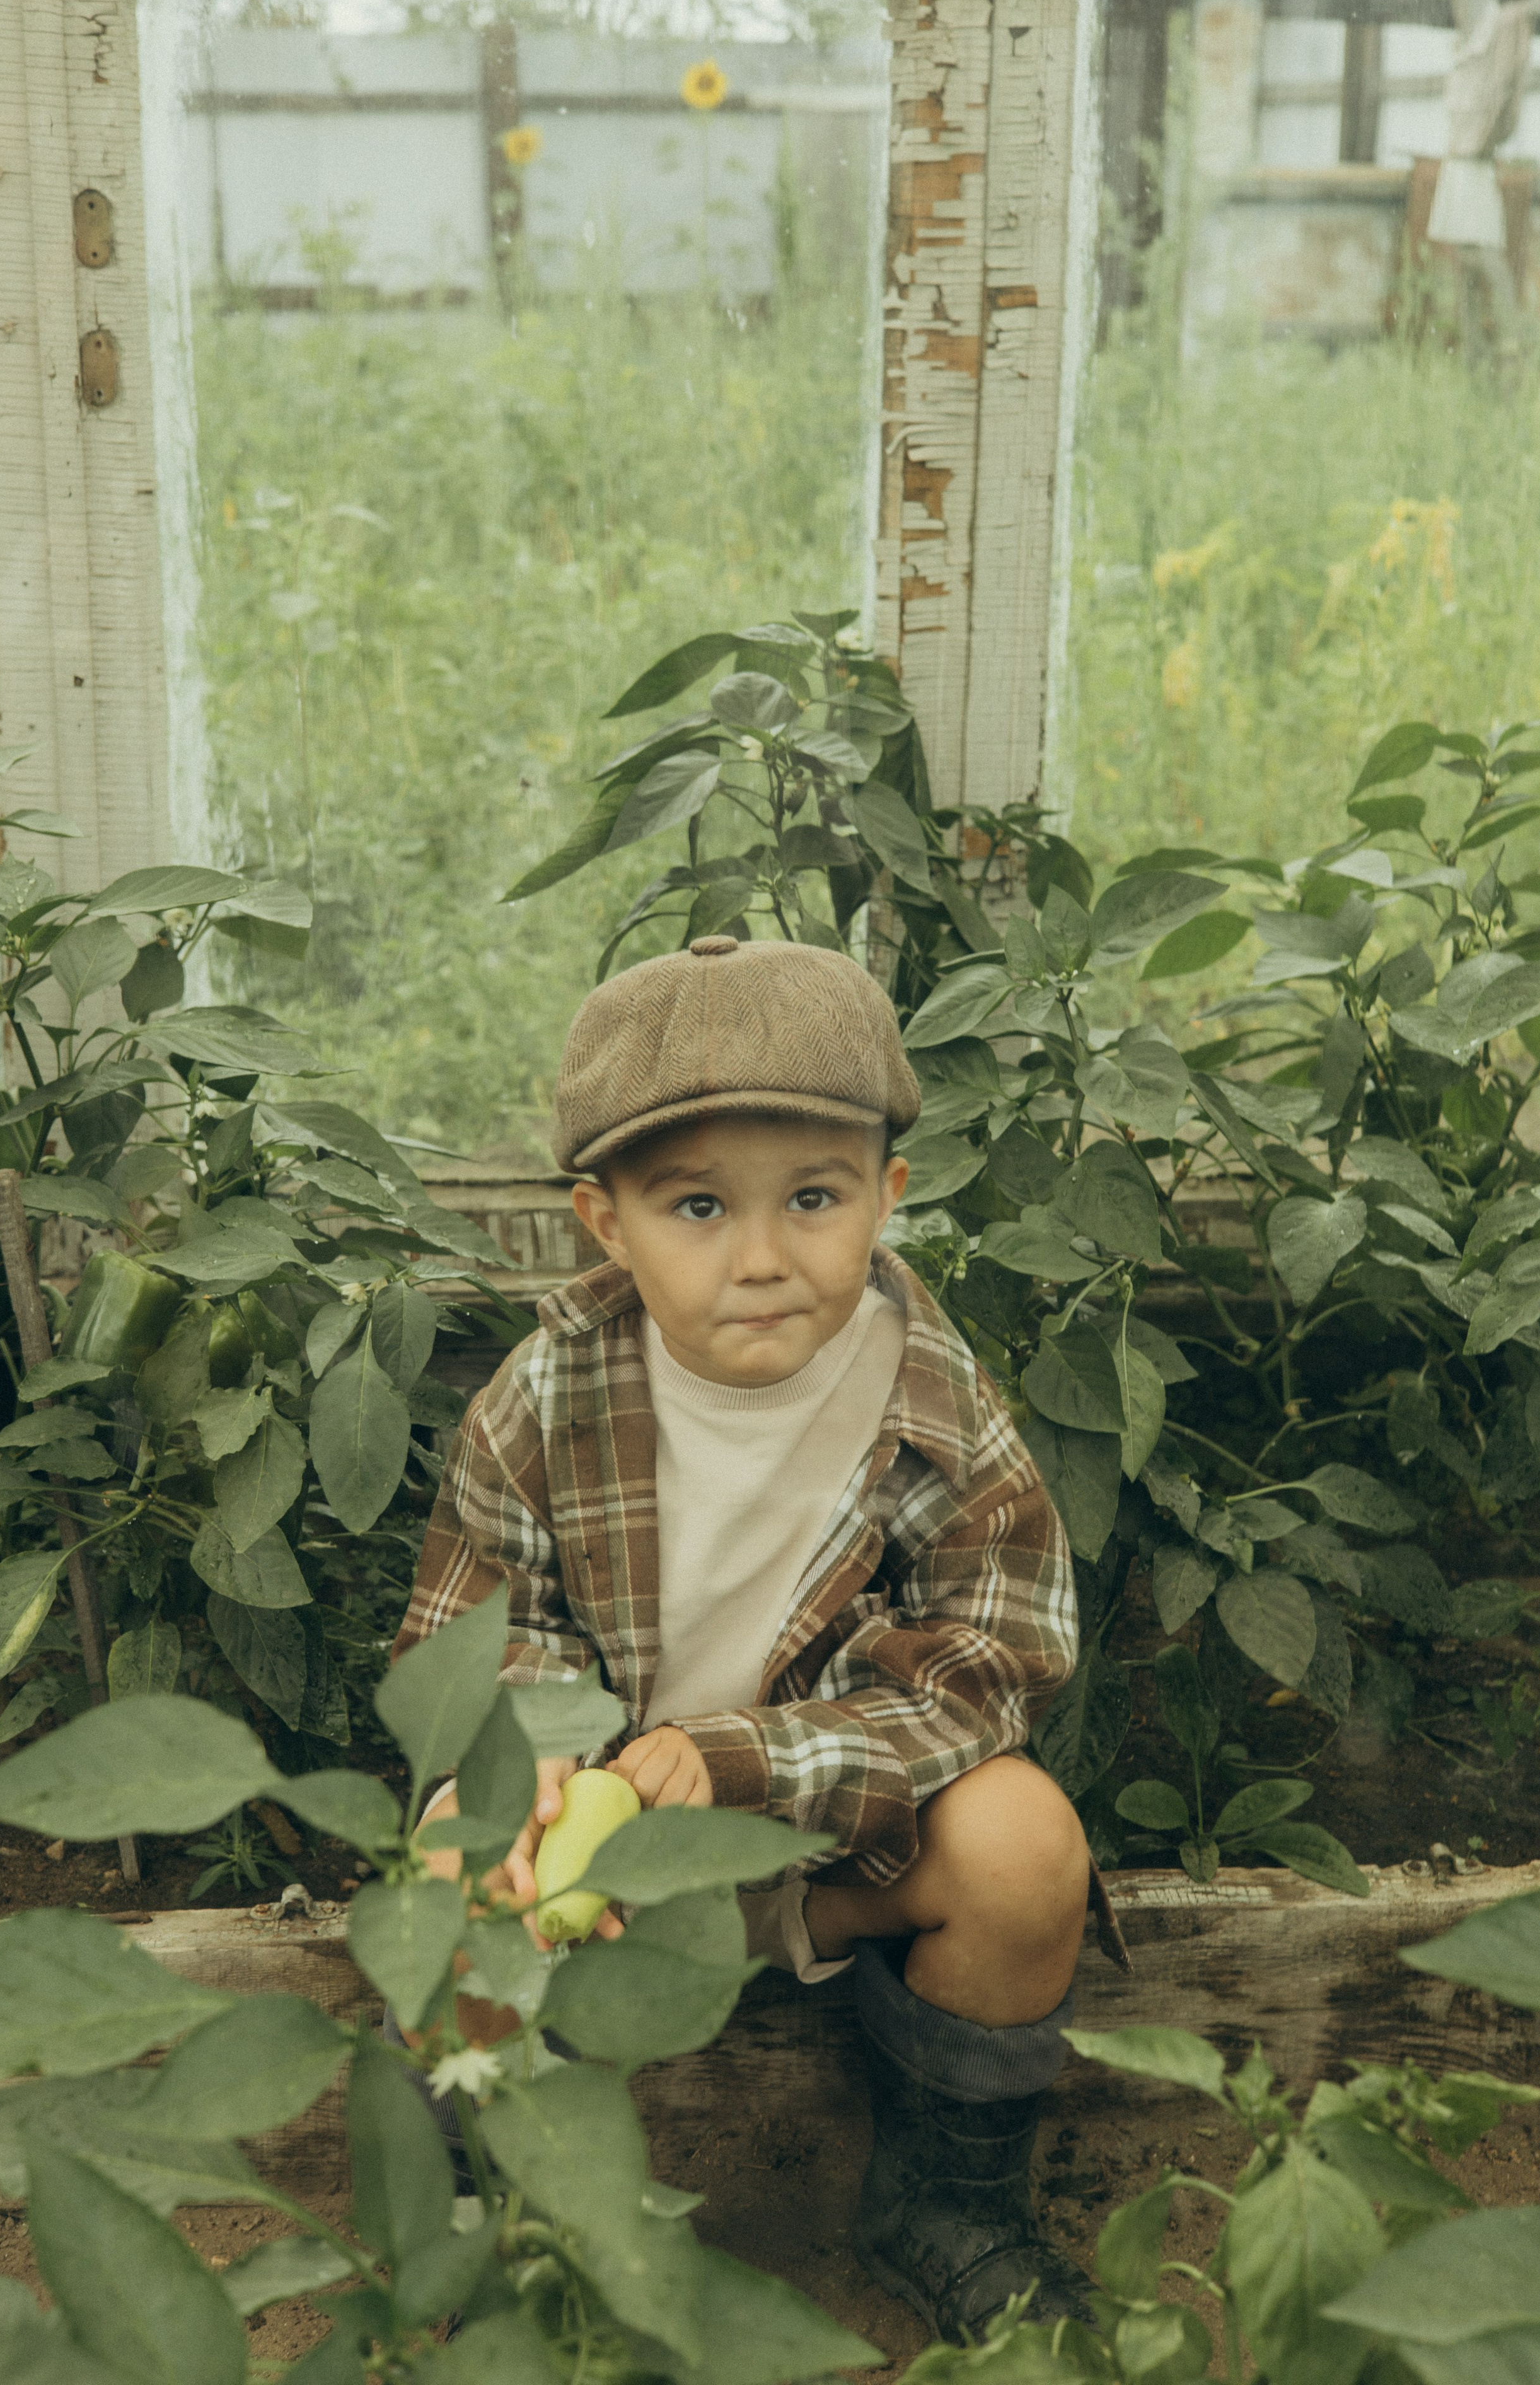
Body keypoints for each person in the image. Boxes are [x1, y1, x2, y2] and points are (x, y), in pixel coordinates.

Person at [392, 932, 1097, 2338]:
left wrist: (740, 1763)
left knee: (1023, 1846)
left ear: (887, 1197)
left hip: (837, 1853)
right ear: (606, 1224)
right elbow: (476, 1634)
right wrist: (527, 1761)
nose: (764, 1258)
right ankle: (484, 2212)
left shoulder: (940, 1412)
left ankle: (942, 2200)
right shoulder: (543, 1399)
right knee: (448, 1873)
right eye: (698, 1206)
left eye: (814, 1198)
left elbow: (983, 1668)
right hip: (610, 1871)